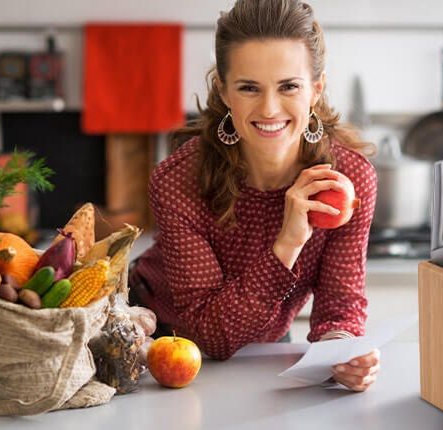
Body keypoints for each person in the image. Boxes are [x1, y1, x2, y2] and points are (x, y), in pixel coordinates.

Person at [129, 0, 380, 392]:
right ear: (224, 91)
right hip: (155, 344)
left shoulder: (348, 180)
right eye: (249, 88)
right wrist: (289, 242)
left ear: (316, 90)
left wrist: (341, 352)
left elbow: (340, 306)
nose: (269, 108)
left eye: (289, 87)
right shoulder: (179, 181)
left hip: (262, 338)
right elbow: (210, 337)